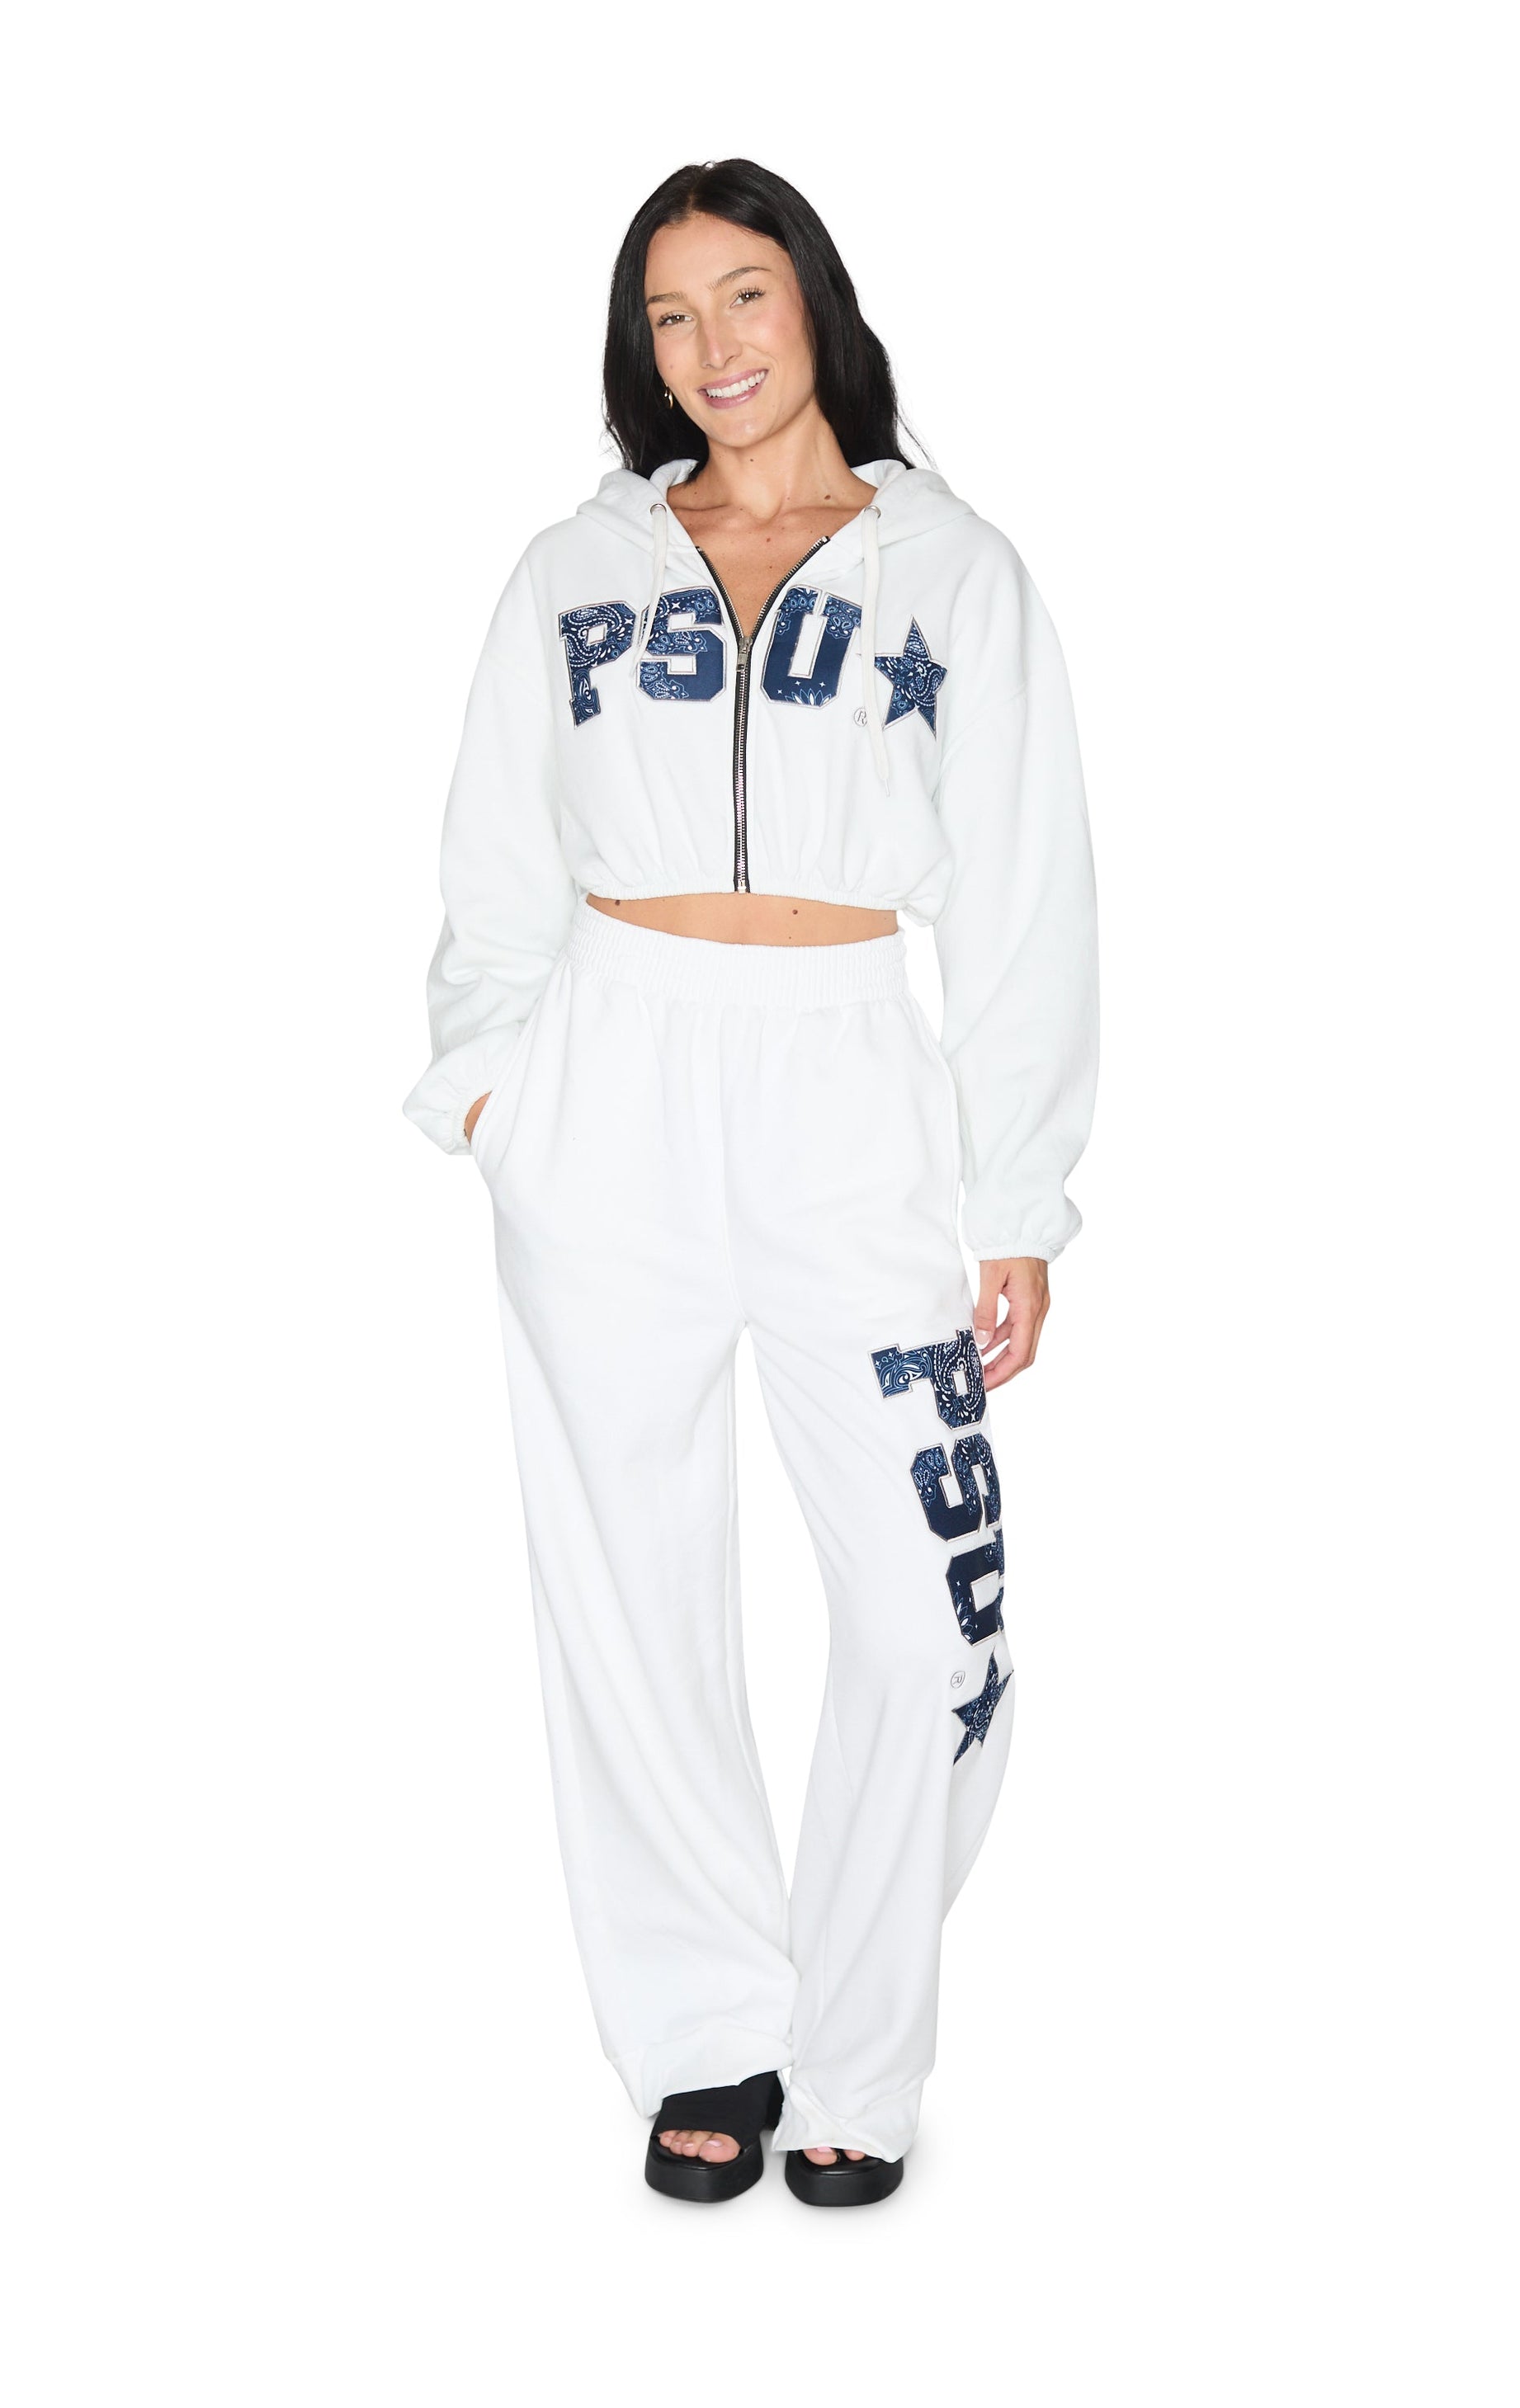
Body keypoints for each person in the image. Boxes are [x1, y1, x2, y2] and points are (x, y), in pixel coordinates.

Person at [403, 158, 1098, 2208]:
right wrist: (496, 1095)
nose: (710, 345)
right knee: (629, 1590)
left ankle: (861, 2034)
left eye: (744, 295)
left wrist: (1015, 1195)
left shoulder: (953, 571)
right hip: (607, 1084)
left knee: (930, 1615)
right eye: (670, 314)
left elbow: (1029, 894)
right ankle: (709, 2031)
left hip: (846, 1093)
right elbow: (493, 849)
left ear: (816, 305)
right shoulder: (572, 568)